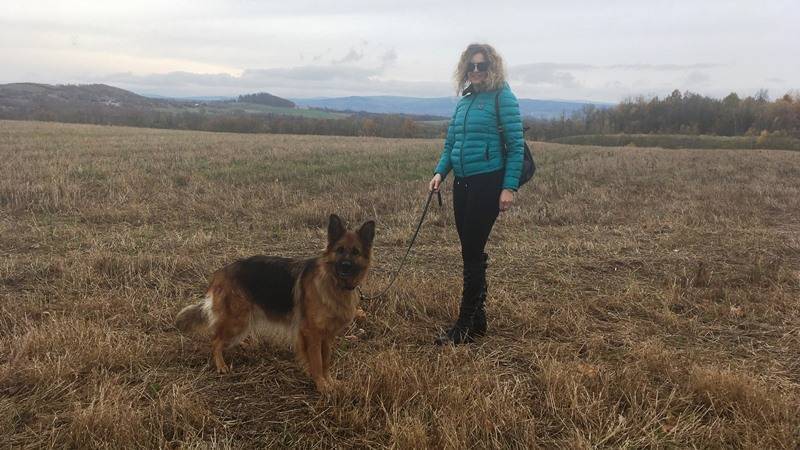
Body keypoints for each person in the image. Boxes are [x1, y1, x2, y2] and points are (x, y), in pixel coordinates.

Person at [429, 43, 524, 345]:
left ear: (492, 67)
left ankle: (464, 324)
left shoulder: (502, 97)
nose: (476, 70)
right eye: (472, 65)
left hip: (487, 182)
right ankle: (478, 320)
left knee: (471, 251)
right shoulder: (465, 101)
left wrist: (508, 187)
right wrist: (440, 172)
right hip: (463, 183)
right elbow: (451, 144)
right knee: (470, 250)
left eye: (482, 65)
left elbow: (516, 146)